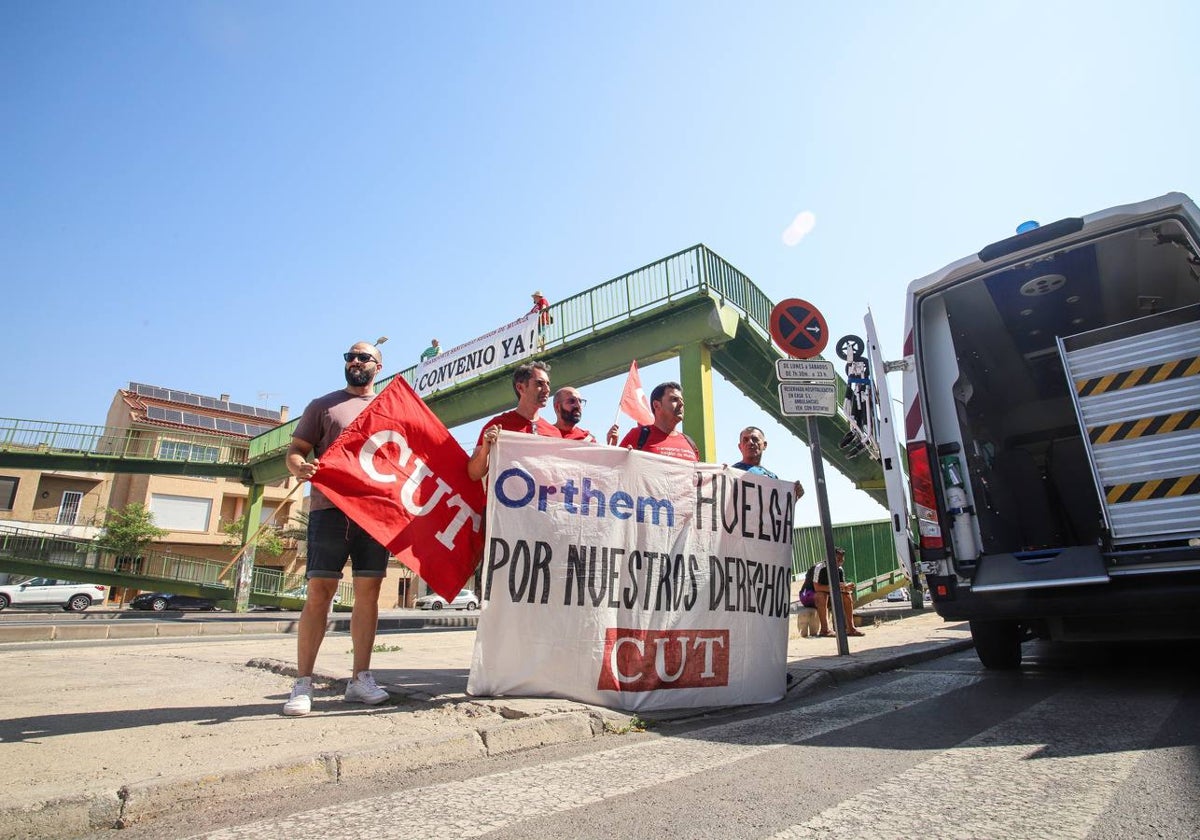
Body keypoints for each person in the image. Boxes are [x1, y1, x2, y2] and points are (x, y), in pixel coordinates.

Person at [282, 341, 393, 716]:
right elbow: (296, 449)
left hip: (375, 514)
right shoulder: (322, 405)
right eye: (350, 356)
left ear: (378, 366)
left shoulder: (390, 408)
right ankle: (303, 683)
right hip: (329, 510)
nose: (355, 362)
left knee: (369, 592)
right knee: (320, 591)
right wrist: (299, 466)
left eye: (364, 357)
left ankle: (360, 678)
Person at [467, 360, 560, 481]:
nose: (547, 389)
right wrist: (486, 450)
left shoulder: (555, 433)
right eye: (539, 383)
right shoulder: (497, 426)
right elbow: (473, 475)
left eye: (548, 384)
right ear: (520, 387)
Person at [614, 382, 699, 462]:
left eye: (681, 400)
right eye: (674, 399)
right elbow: (615, 469)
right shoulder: (637, 435)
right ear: (656, 405)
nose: (681, 404)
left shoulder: (690, 443)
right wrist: (612, 447)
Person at [731, 425, 805, 499]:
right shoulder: (731, 473)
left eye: (755, 439)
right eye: (745, 440)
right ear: (740, 447)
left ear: (764, 445)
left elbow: (777, 507)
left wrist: (794, 497)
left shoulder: (772, 477)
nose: (750, 442)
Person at [814, 547, 864, 637]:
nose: (840, 562)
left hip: (831, 595)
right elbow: (816, 587)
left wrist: (845, 587)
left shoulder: (840, 569)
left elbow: (840, 586)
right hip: (810, 596)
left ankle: (851, 628)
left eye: (842, 560)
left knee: (847, 595)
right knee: (821, 595)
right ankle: (824, 630)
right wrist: (835, 588)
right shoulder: (819, 568)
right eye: (838, 560)